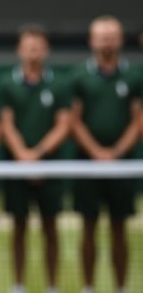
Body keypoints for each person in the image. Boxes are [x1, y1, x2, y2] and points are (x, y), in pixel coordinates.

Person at [0, 24, 71, 293]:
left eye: (38, 46)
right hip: (17, 168)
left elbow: (64, 124)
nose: (33, 51)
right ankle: (18, 285)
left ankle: (52, 285)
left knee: (51, 228)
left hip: (48, 168)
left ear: (46, 50)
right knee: (19, 227)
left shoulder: (59, 84)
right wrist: (23, 157)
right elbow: (6, 124)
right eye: (28, 46)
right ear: (19, 50)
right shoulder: (6, 84)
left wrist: (38, 155)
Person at [70, 15, 141, 293]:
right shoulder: (78, 77)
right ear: (91, 41)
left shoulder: (134, 78)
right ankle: (88, 287)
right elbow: (73, 121)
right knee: (88, 227)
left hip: (123, 166)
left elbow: (139, 120)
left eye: (112, 36)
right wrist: (97, 152)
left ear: (121, 40)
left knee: (119, 229)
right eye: (102, 36)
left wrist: (118, 152)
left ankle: (121, 288)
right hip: (87, 165)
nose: (107, 41)